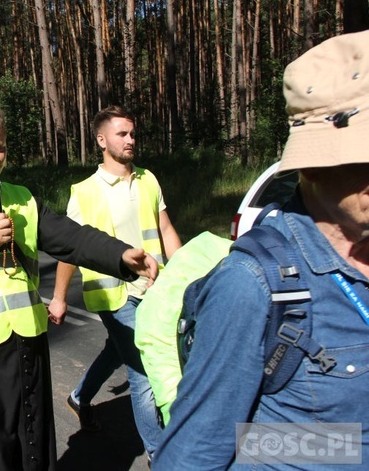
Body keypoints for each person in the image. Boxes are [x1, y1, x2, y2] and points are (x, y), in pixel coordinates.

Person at [0, 99, 159, 470]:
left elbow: (72, 238)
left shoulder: (20, 198)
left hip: (28, 353)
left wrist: (120, 255)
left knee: (33, 457)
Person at [154, 30, 369, 468]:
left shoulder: (147, 180)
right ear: (312, 164)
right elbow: (198, 449)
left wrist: (334, 446)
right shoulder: (251, 284)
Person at [49, 106, 181, 456]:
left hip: (155, 288)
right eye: (122, 134)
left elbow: (165, 228)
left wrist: (184, 273)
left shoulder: (148, 179)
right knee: (143, 371)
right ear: (102, 140)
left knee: (117, 350)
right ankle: (159, 453)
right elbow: (69, 248)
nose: (130, 140)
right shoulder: (85, 191)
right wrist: (60, 296)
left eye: (133, 133)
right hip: (115, 296)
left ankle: (79, 397)